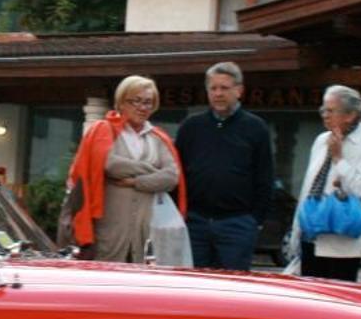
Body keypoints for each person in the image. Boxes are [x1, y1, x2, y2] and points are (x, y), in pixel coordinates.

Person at [65, 75, 186, 263]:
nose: (142, 107)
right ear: (121, 102)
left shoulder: (158, 138)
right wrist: (153, 170)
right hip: (109, 229)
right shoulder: (104, 129)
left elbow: (171, 177)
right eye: (136, 101)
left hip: (147, 230)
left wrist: (136, 182)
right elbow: (110, 165)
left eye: (148, 102)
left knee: (142, 280)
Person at [174, 61, 273, 270]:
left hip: (237, 225)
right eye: (213, 88)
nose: (218, 93)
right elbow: (177, 172)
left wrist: (254, 220)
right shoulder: (191, 127)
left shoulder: (256, 128)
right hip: (195, 224)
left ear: (239, 91)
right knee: (194, 288)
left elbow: (264, 177)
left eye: (224, 88)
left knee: (233, 291)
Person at [288, 85, 361, 281]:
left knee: (337, 300)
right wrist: (296, 230)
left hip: (343, 241)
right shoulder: (321, 140)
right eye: (323, 110)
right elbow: (308, 188)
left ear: (350, 115)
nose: (324, 115)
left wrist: (339, 159)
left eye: (330, 110)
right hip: (311, 234)